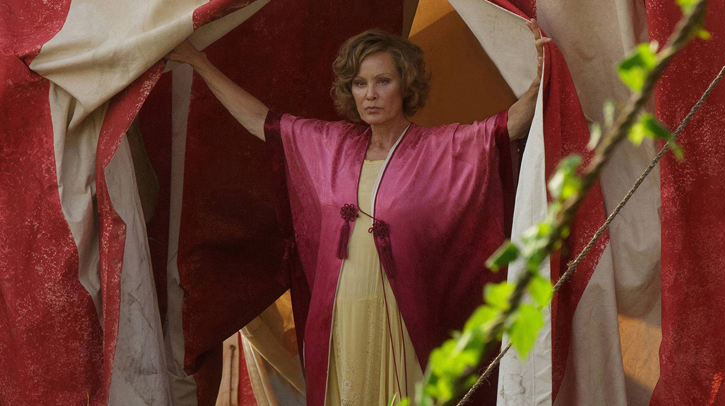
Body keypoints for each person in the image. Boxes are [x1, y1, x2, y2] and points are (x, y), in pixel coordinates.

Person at [166, 21, 550, 406]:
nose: (371, 94)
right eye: (360, 83)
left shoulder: (436, 149)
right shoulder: (330, 145)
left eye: (383, 81)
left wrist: (540, 78)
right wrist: (199, 63)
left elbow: (505, 129)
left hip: (402, 318)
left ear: (406, 85)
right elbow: (259, 120)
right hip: (340, 317)